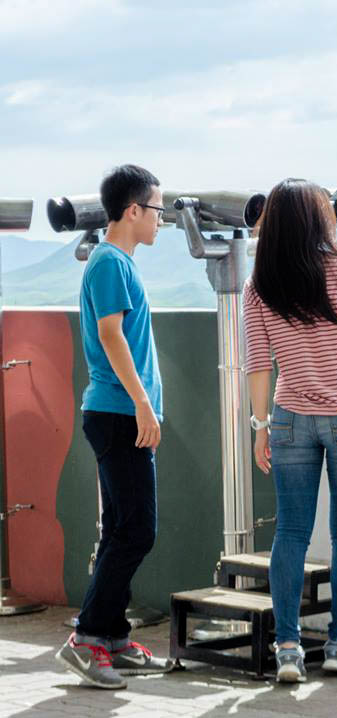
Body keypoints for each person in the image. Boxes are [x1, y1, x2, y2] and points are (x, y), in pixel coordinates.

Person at [243, 178, 337, 683]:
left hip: (289, 420)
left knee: (290, 533)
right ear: (318, 219)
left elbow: (258, 364)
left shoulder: (260, 283)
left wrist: (260, 426)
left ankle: (287, 649)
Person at [55, 164, 174, 689]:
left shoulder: (118, 262)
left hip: (119, 412)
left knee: (121, 532)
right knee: (137, 531)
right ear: (133, 211)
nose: (162, 220)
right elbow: (111, 337)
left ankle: (112, 636)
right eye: (158, 209)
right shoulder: (109, 263)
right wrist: (143, 404)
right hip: (117, 412)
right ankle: (87, 640)